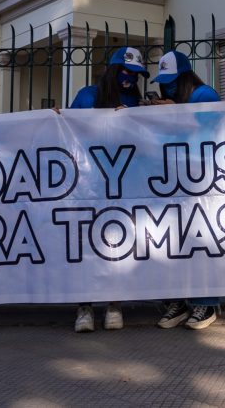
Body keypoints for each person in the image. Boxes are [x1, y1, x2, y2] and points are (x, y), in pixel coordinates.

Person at [68, 46, 148, 333]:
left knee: (117, 242)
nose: (130, 79)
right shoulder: (87, 95)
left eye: (136, 74)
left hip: (123, 182)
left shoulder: (136, 102)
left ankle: (114, 303)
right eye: (126, 72)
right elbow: (67, 131)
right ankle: (84, 306)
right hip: (88, 180)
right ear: (114, 70)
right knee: (85, 244)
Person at [148, 50, 222, 330]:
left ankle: (208, 300)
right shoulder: (175, 99)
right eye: (163, 81)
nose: (167, 86)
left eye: (173, 80)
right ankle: (178, 300)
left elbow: (208, 127)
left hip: (201, 177)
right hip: (173, 177)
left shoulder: (204, 94)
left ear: (185, 77)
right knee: (173, 240)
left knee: (201, 238)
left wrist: (170, 111)